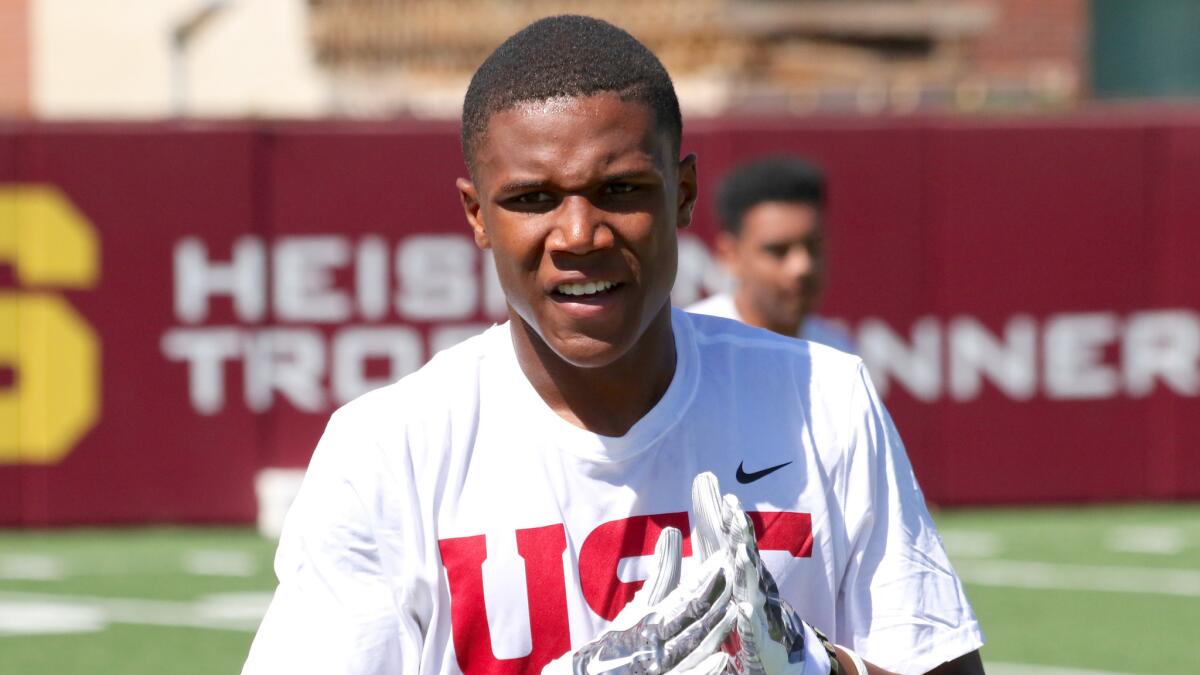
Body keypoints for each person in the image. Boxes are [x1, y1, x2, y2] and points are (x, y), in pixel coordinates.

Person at [242, 15, 984, 675]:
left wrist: (813, 663)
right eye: (532, 199)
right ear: (476, 214)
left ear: (683, 193)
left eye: (621, 190)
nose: (578, 236)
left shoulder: (823, 395)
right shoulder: (386, 447)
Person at [687, 156, 855, 354]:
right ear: (730, 255)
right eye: (778, 251)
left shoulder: (837, 353)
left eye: (813, 246)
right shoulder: (687, 345)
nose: (802, 266)